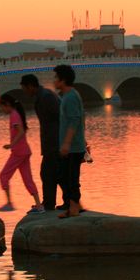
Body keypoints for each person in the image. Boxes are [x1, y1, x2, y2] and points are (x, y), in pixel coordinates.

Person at [19, 73, 66, 210]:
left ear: (30, 86)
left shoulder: (46, 97)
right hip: (50, 142)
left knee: (49, 173)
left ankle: (52, 203)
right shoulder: (42, 97)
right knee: (53, 173)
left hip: (55, 142)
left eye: (24, 88)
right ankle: (56, 202)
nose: (24, 92)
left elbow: (61, 117)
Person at [0, 92, 43, 213]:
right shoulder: (16, 114)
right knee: (27, 179)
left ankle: (9, 203)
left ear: (7, 105)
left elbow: (21, 131)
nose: (1, 110)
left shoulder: (14, 115)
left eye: (2, 107)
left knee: (3, 176)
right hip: (24, 151)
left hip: (19, 152)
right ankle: (39, 205)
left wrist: (11, 144)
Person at [53, 64, 86, 219]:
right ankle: (75, 205)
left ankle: (73, 208)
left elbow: (74, 121)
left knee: (70, 178)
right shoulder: (66, 96)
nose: (54, 81)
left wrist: (66, 143)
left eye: (56, 78)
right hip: (72, 145)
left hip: (73, 147)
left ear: (63, 80)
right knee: (62, 175)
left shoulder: (71, 97)